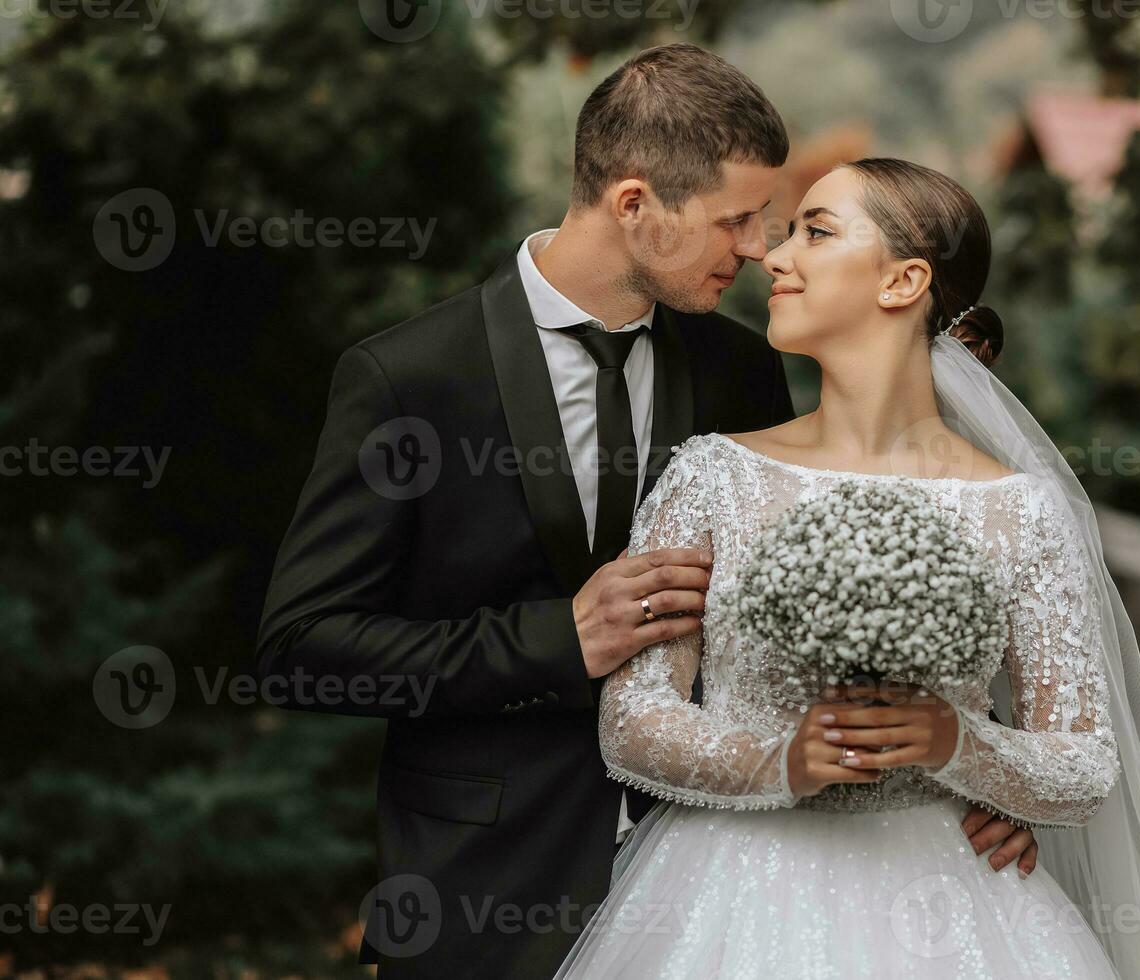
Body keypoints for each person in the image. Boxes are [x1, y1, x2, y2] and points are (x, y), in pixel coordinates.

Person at [257, 45, 1035, 977]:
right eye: (734, 221)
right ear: (634, 206)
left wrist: (968, 773)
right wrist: (556, 640)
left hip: (726, 883)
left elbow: (804, 610)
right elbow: (302, 647)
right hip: (485, 889)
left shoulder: (741, 368)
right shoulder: (410, 379)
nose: (756, 250)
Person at [553, 159, 1140, 978]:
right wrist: (779, 762)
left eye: (817, 231)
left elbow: (1081, 766)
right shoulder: (712, 477)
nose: (775, 255)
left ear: (905, 281)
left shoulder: (1022, 511)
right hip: (731, 893)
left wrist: (959, 745)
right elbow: (632, 723)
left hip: (952, 903)